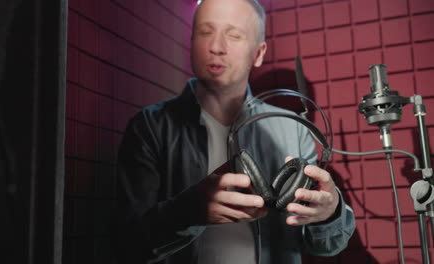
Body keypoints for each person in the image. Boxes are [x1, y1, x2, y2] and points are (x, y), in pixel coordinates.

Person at [114, 0, 355, 263]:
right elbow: (127, 245)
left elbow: (327, 245)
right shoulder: (149, 126)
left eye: (233, 35)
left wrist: (330, 214)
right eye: (205, 32)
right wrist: (187, 212)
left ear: (259, 53)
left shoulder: (293, 129)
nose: (216, 47)